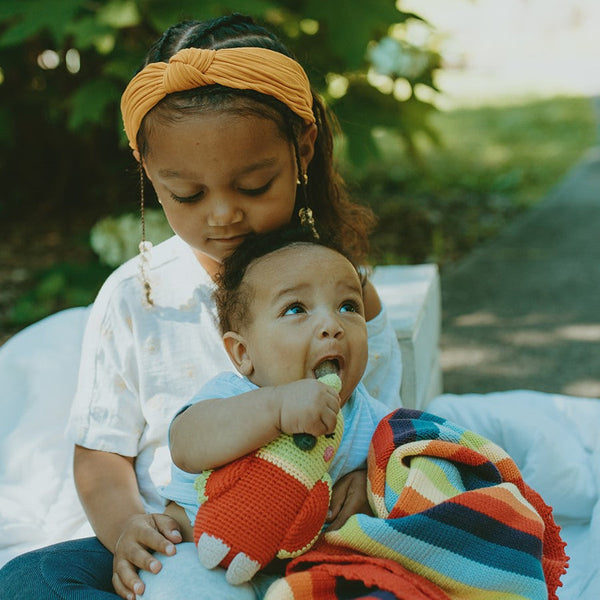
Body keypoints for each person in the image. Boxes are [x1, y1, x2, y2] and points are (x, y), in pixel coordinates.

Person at [0, 13, 402, 600]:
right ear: (147, 170)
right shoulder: (136, 296)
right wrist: (127, 529)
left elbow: (393, 418)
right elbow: (100, 455)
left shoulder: (343, 293)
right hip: (182, 540)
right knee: (30, 581)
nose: (221, 215)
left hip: (315, 537)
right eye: (186, 194)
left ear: (303, 151)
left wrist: (369, 478)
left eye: (254, 185)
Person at [151, 227, 392, 597]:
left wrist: (370, 484)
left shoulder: (368, 414)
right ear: (243, 354)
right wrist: (276, 409)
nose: (332, 326)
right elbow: (185, 444)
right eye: (296, 309)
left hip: (306, 568)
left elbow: (412, 456)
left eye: (348, 306)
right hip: (201, 554)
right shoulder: (234, 395)